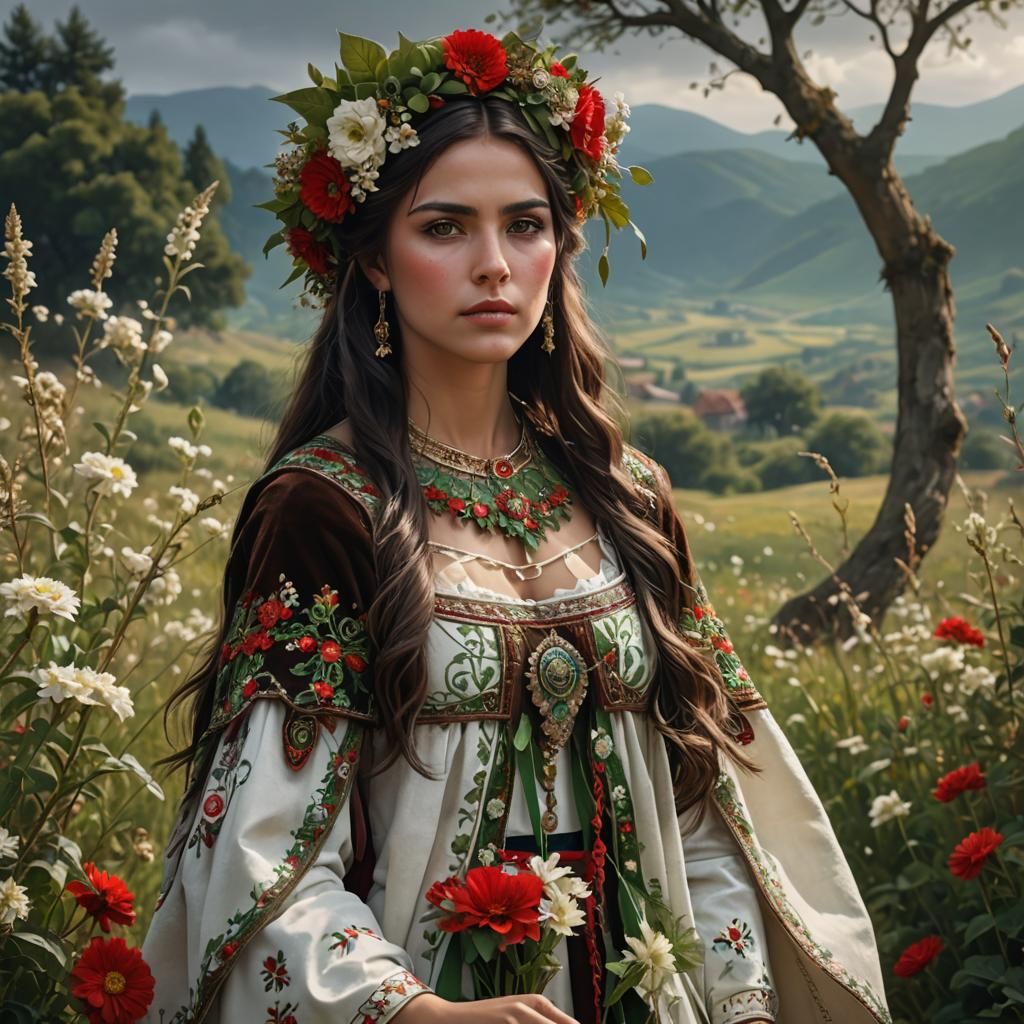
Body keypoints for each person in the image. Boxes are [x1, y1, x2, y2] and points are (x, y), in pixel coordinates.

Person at [141, 26, 892, 1024]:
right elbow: (265, 853)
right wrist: (415, 1013)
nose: (494, 264)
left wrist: (739, 996)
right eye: (445, 227)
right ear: (371, 257)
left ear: (560, 245)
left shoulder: (628, 495)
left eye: (525, 225)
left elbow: (709, 814)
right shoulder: (324, 509)